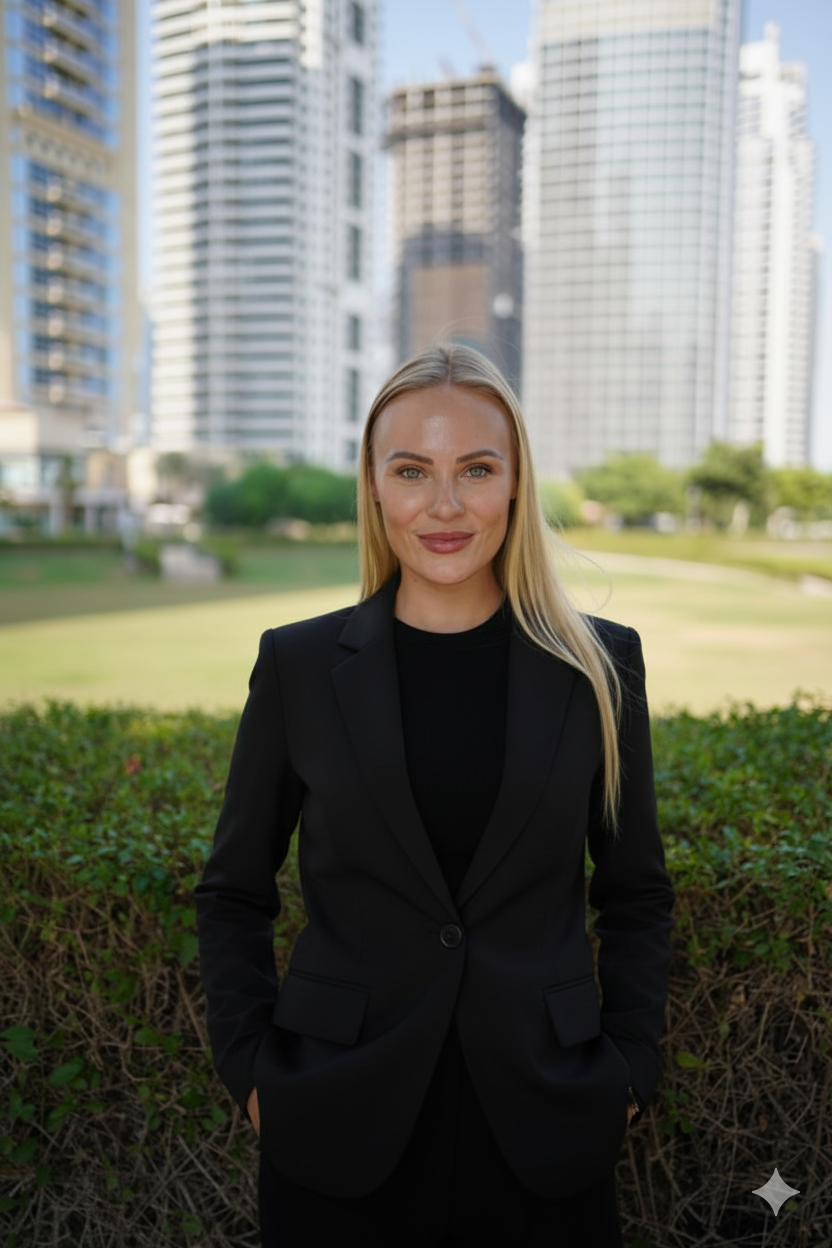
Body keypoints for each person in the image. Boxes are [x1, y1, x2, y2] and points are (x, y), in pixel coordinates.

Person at [195, 342, 675, 1247]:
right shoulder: (298, 664)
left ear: (516, 485)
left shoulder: (600, 665)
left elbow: (636, 893)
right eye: (412, 469)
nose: (445, 505)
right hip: (335, 1119)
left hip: (548, 1123)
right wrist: (255, 1078)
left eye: (477, 469)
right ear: (375, 487)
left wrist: (629, 1077)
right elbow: (233, 893)